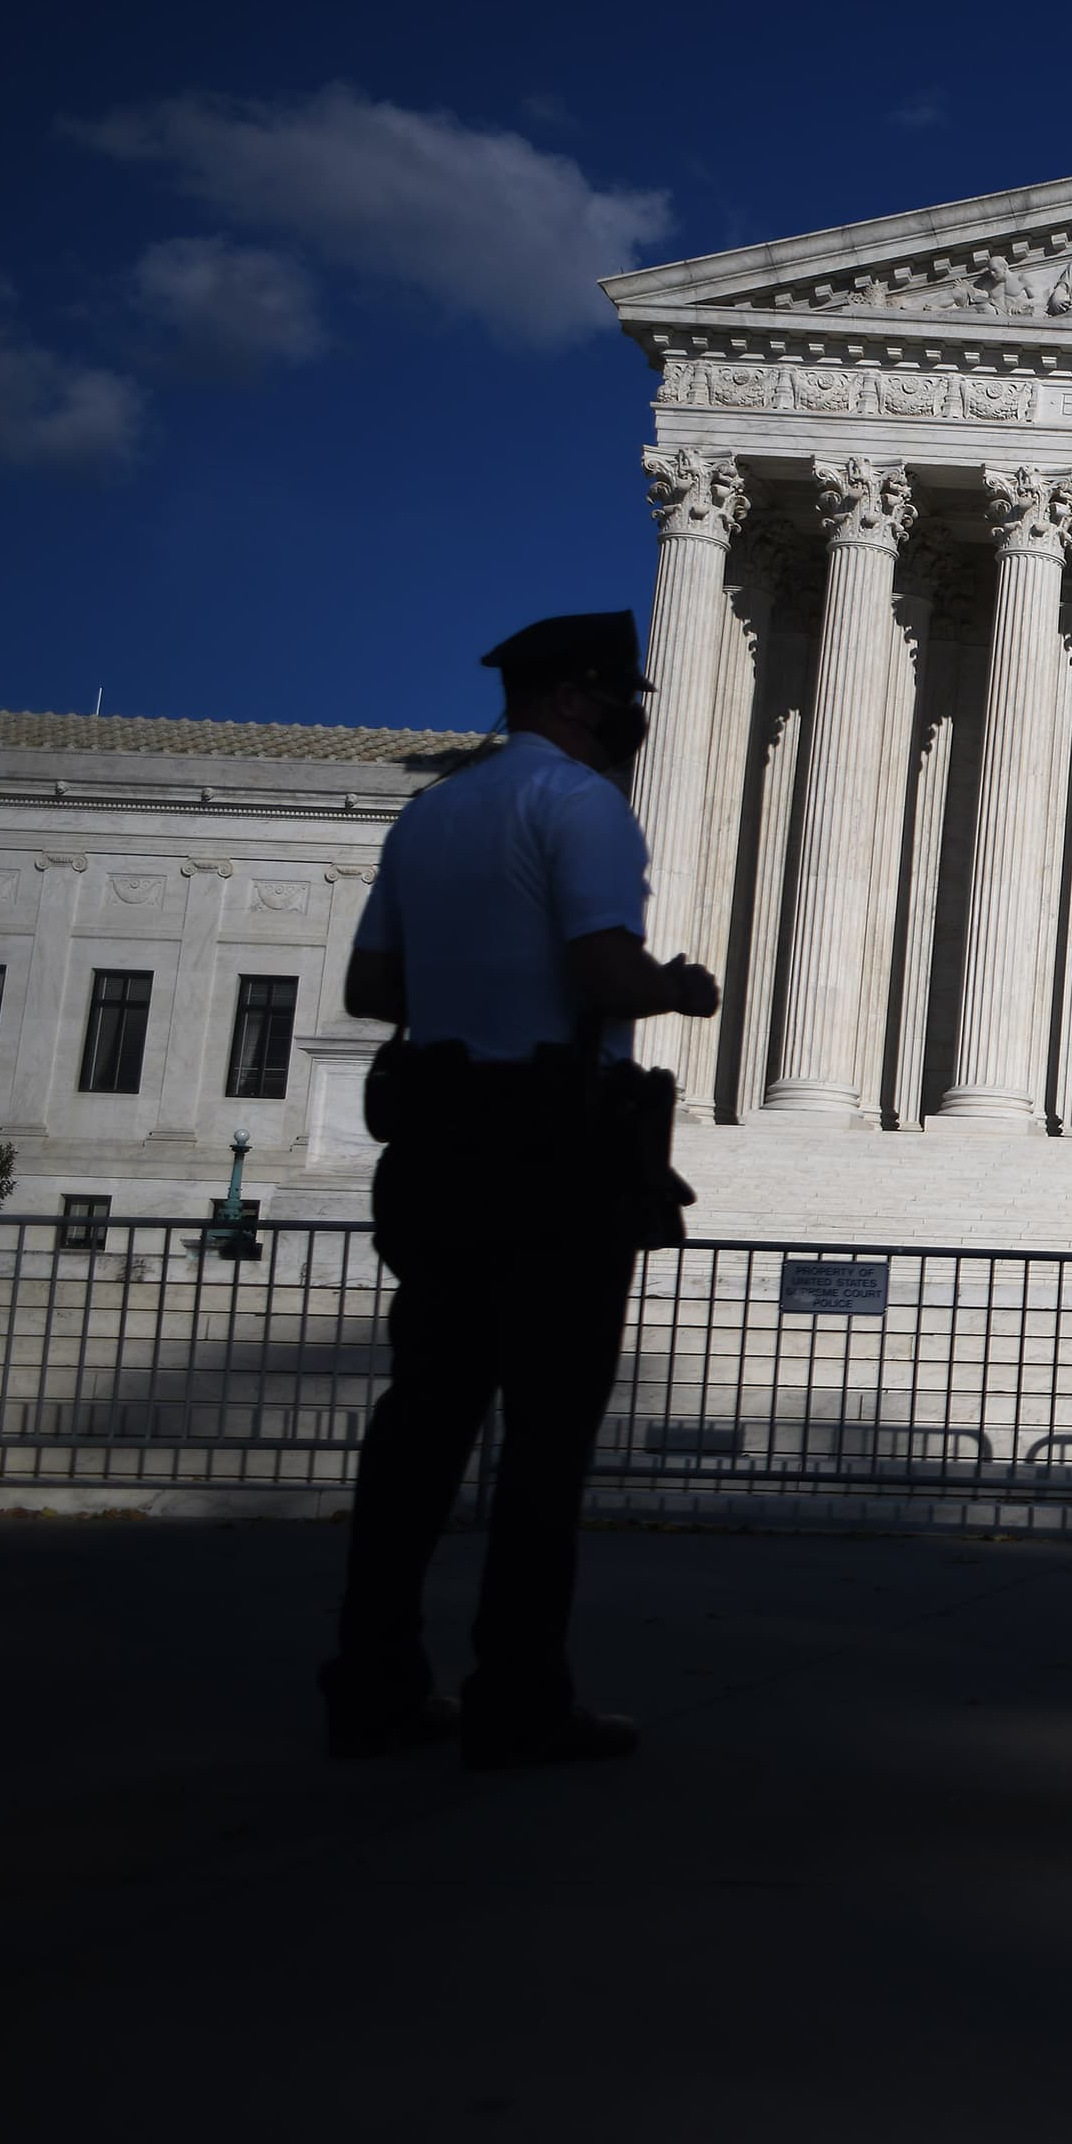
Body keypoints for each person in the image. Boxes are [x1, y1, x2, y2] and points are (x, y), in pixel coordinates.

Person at [318, 611, 718, 1771]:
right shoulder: (582, 803)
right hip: (550, 1139)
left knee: (423, 1420)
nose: (629, 717)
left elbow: (369, 981)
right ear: (576, 701)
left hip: (437, 1138)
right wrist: (677, 989)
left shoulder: (430, 811)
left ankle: (374, 1679)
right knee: (546, 1434)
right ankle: (519, 1693)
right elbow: (601, 970)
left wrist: (472, 999)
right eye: (616, 697)